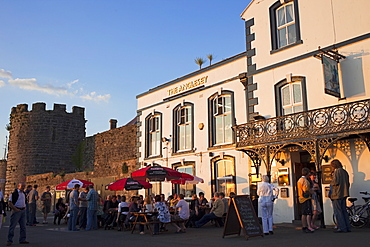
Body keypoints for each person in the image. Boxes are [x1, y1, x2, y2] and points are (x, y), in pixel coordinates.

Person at [330, 159, 351, 233]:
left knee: (338, 212)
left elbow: (336, 182)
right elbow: (348, 183)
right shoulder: (345, 172)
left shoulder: (337, 171)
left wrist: (331, 180)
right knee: (344, 211)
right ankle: (347, 227)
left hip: (337, 194)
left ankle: (342, 228)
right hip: (344, 193)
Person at [297, 168, 315, 233]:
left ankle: (304, 226)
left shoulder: (299, 180)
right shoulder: (305, 181)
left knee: (303, 214)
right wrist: (311, 192)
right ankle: (309, 226)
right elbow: (305, 190)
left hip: (301, 198)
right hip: (306, 198)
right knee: (308, 213)